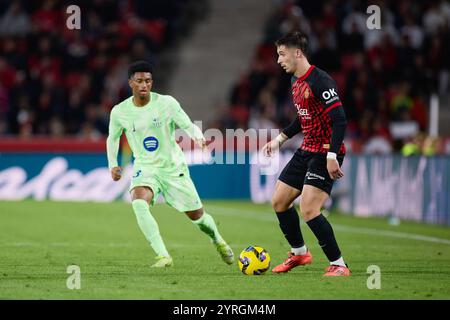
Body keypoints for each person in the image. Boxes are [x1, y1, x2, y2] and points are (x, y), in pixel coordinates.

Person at [106, 61, 234, 268]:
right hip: (146, 167)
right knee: (138, 202)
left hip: (173, 168)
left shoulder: (167, 103)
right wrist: (113, 164)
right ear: (130, 82)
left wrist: (199, 138)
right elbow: (112, 138)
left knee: (198, 218)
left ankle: (217, 239)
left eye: (147, 81)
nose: (143, 85)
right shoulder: (119, 112)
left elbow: (186, 123)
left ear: (152, 82)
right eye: (139, 81)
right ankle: (163, 255)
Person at [262, 32, 350, 276]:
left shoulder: (321, 81)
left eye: (282, 54)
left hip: (325, 153)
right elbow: (303, 117)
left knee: (309, 209)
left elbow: (340, 119)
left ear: (297, 53)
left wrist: (332, 155)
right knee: (279, 201)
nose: (279, 60)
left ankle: (339, 264)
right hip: (307, 149)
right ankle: (300, 253)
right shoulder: (294, 81)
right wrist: (280, 139)